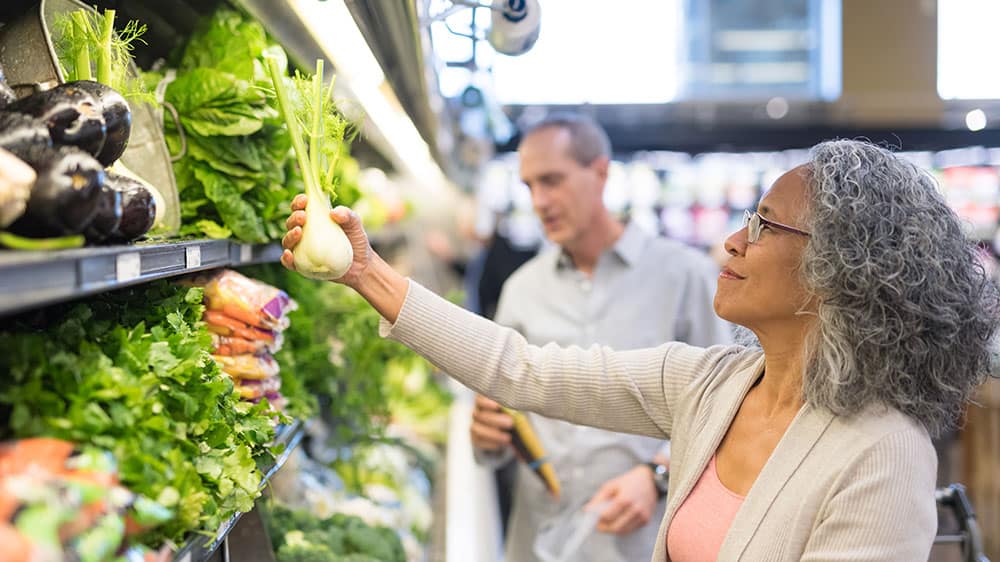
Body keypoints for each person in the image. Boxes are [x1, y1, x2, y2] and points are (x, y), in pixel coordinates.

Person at [281, 139, 1000, 561]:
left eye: (766, 225)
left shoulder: (884, 451)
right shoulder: (710, 385)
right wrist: (365, 272)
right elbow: (524, 369)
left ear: (841, 268)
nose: (733, 240)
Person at [469, 113, 730, 562]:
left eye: (552, 180)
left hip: (641, 543)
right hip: (539, 541)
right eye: (529, 186)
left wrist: (657, 475)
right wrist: (487, 436)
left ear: (601, 173)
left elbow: (726, 411)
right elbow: (504, 417)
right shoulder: (522, 290)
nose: (540, 201)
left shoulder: (686, 277)